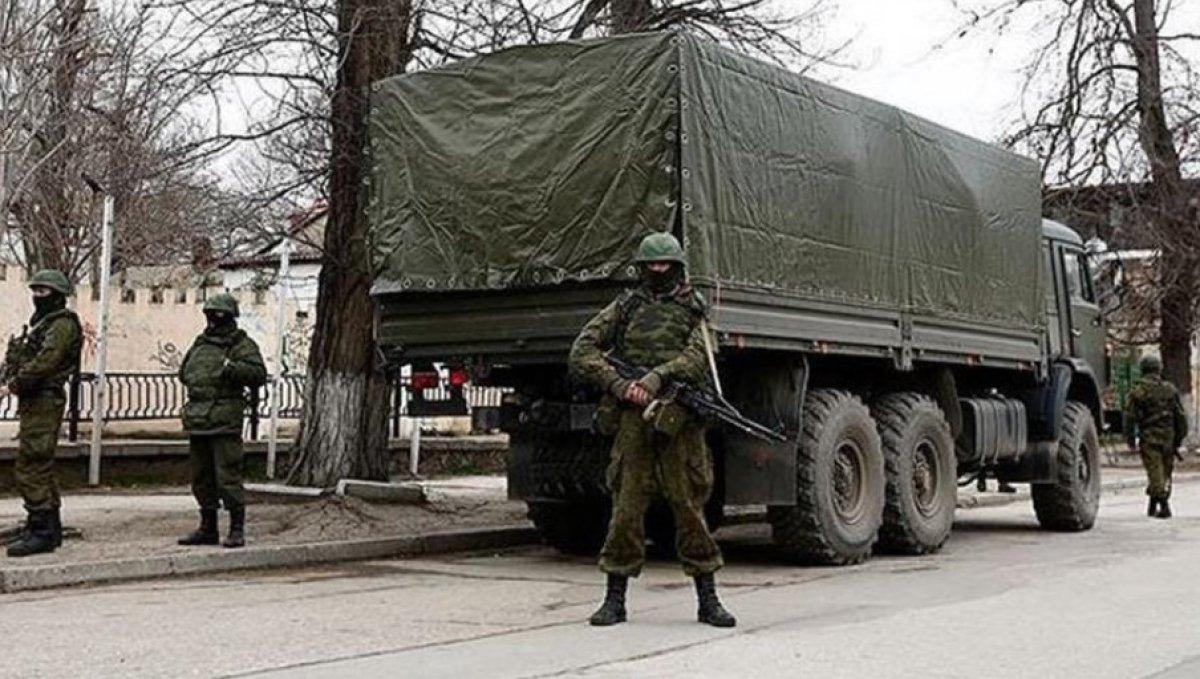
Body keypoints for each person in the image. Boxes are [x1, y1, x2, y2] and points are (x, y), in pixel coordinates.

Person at [568, 231, 736, 628]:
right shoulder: (626, 306)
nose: (658, 271)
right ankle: (614, 600)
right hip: (633, 420)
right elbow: (582, 350)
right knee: (626, 510)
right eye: (652, 265)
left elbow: (698, 356)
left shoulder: (694, 308)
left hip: (679, 421)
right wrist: (619, 384)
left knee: (689, 508)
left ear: (677, 267)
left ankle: (708, 600)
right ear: (641, 269)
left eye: (665, 265)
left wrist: (658, 377)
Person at [2, 270, 83, 558]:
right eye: (35, 290)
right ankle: (47, 527)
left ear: (58, 295)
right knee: (40, 465)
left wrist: (13, 385)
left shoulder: (62, 325)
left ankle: (42, 531)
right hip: (35, 398)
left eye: (43, 291)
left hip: (44, 398)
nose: (37, 296)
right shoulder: (43, 323)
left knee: (32, 465)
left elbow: (46, 361)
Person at [177, 293, 266, 548]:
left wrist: (231, 369)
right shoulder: (201, 343)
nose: (214, 319)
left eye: (219, 314)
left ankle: (236, 528)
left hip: (225, 422)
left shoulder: (241, 344)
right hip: (199, 420)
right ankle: (208, 528)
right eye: (210, 314)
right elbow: (185, 372)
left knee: (227, 477)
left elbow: (258, 374)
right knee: (201, 478)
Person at [1124, 354, 1189, 519]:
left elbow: (1130, 418)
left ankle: (1164, 506)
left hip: (1149, 438)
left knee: (1155, 472)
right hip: (1168, 438)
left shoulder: (1138, 391)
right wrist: (1179, 438)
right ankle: (1153, 505)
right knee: (1164, 472)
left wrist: (1130, 439)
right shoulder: (1170, 390)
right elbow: (1180, 417)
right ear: (1159, 369)